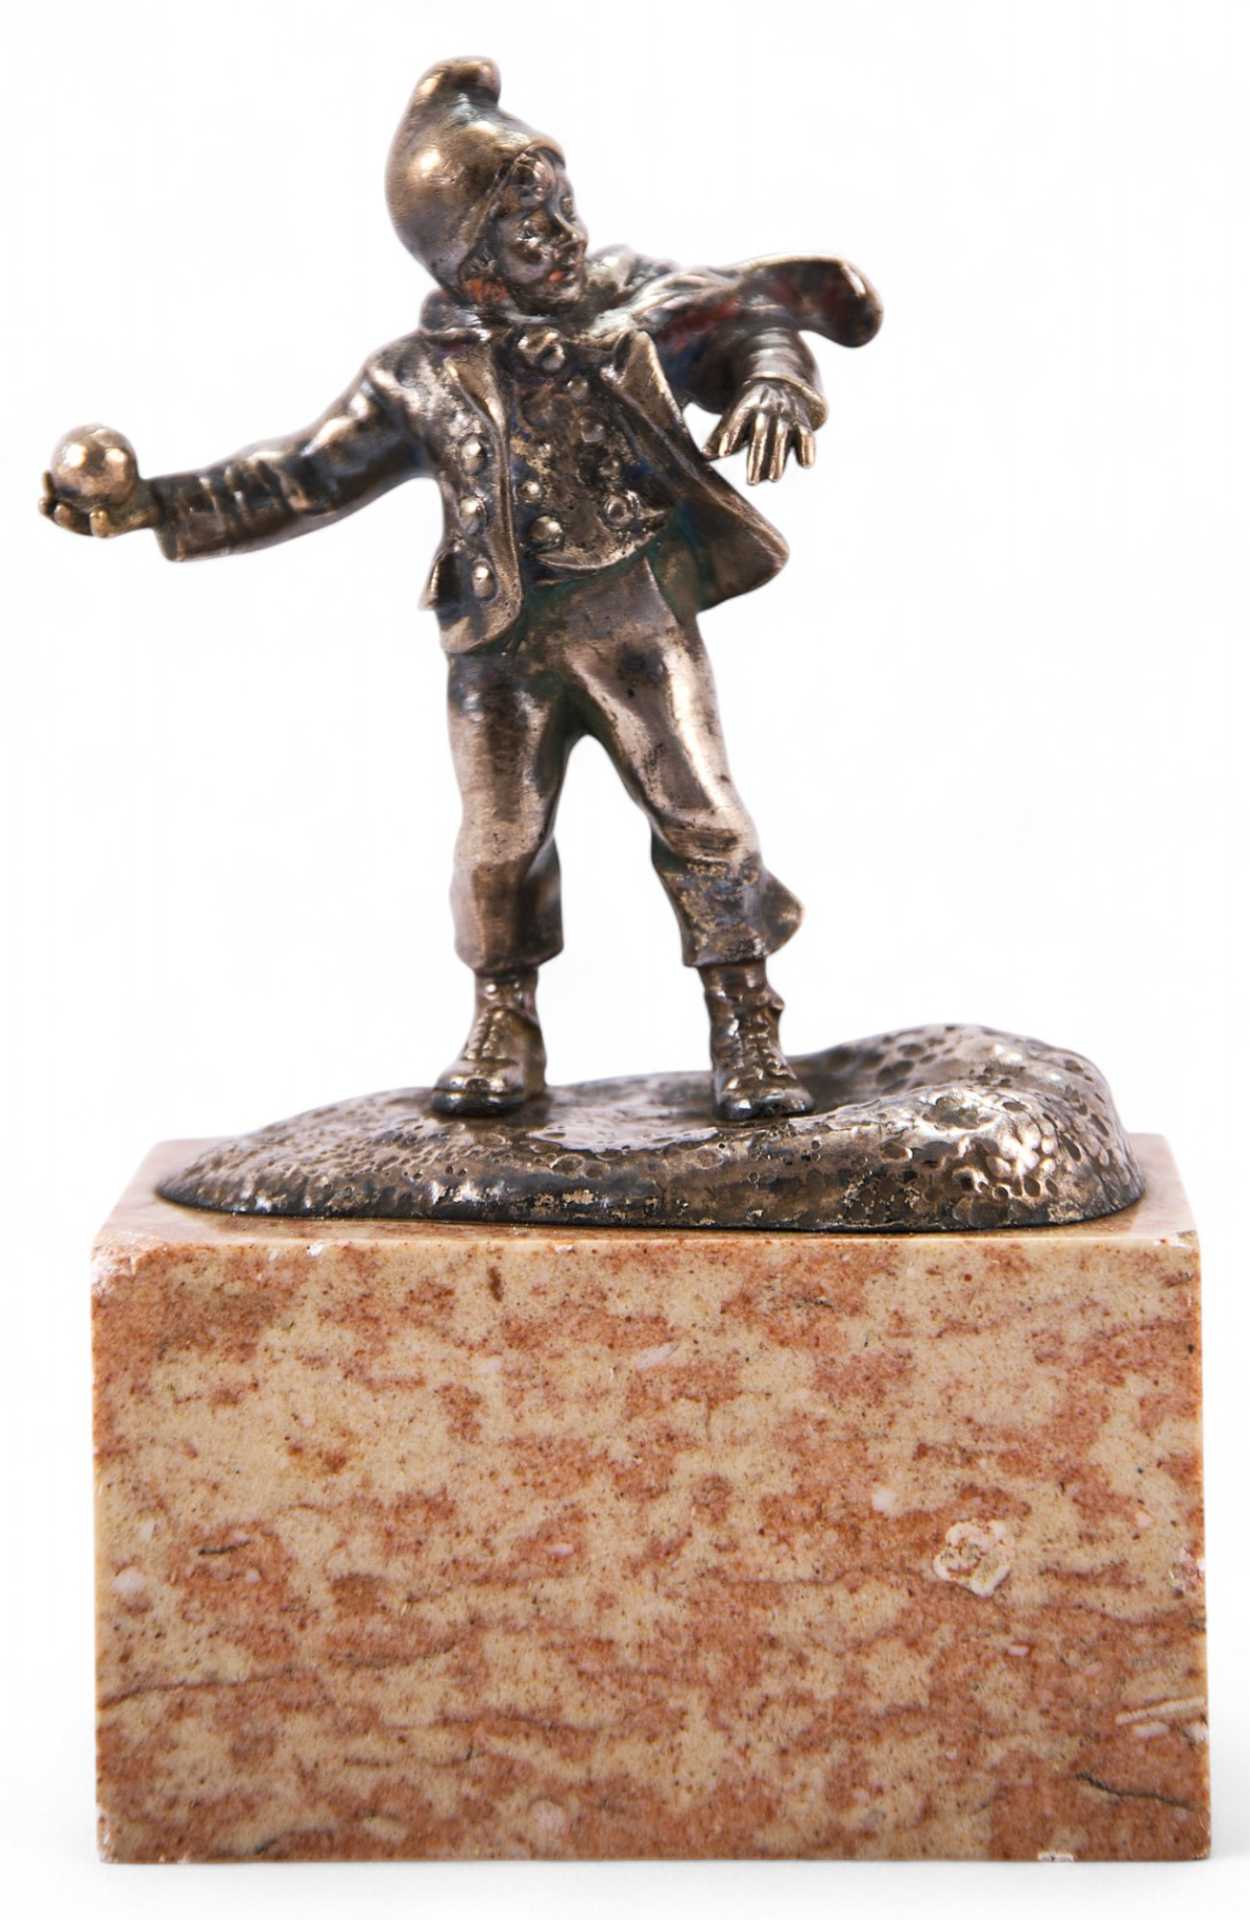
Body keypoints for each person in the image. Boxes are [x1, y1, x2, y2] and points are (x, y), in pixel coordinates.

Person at [41, 56, 880, 1122]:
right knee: (498, 846)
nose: (561, 233)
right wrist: (151, 504)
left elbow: (749, 319)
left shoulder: (631, 303)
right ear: (466, 258)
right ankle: (502, 1023)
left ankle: (745, 1020)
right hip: (499, 644)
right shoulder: (414, 375)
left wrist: (775, 382)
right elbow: (302, 477)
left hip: (633, 612)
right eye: (526, 225)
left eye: (562, 207)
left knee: (702, 816)